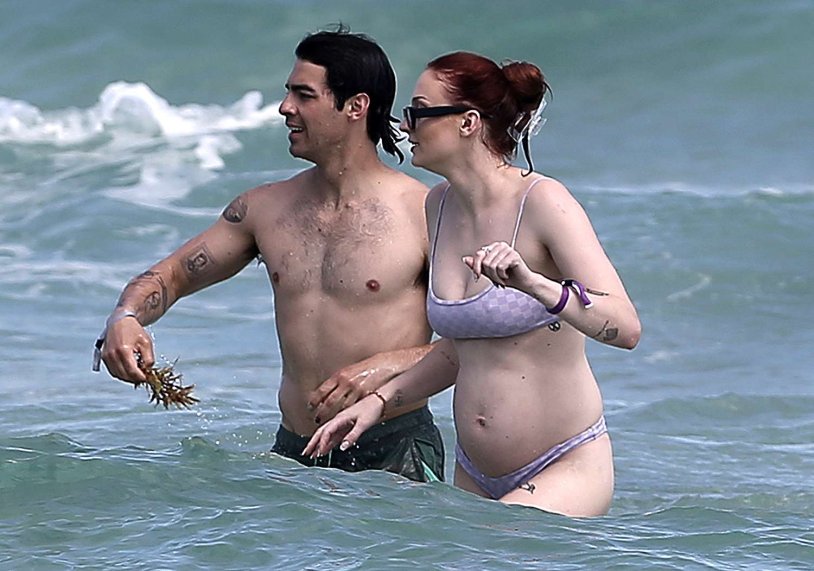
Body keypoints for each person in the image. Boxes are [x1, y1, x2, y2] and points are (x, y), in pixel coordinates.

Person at [93, 27, 446, 483]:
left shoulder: (425, 212)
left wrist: (386, 365)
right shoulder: (264, 210)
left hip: (394, 449)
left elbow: (480, 339)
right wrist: (125, 316)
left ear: (355, 106)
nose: (285, 108)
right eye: (288, 93)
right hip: (294, 453)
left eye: (304, 95)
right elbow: (173, 275)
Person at [304, 51, 641, 516]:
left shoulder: (544, 201)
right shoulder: (438, 205)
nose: (405, 126)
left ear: (467, 122)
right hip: (474, 472)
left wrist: (534, 284)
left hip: (565, 461)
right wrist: (380, 401)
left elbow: (625, 328)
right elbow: (462, 346)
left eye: (419, 112)